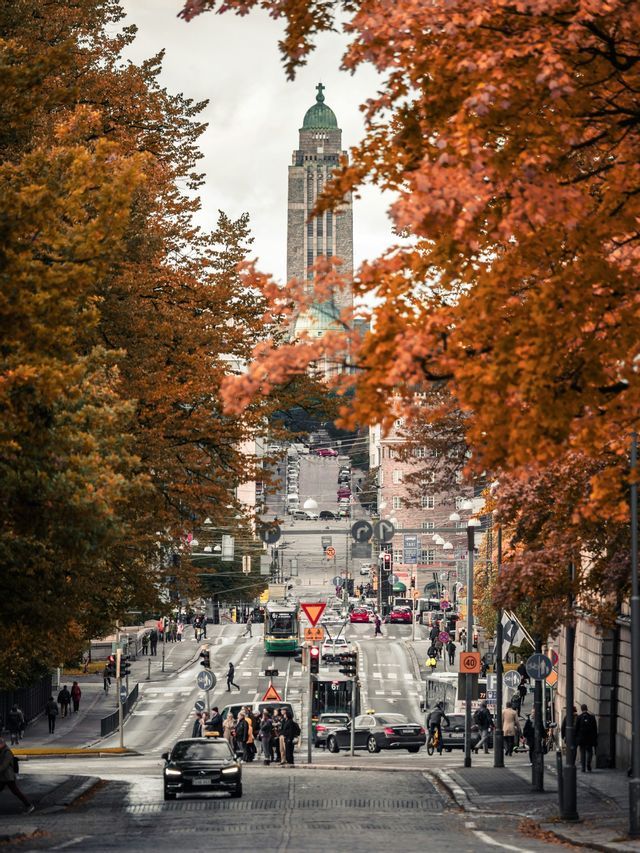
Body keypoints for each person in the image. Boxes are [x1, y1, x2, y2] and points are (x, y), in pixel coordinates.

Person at [0, 737, 34, 813]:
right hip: (3, 777)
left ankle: (29, 805)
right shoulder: (2, 751)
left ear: (2, 744)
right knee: (16, 791)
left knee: (16, 792)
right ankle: (29, 805)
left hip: (8, 777)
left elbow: (4, 765)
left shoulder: (7, 752)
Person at [575, 704, 598, 772]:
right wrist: (595, 738)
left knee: (582, 753)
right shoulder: (592, 717)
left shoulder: (579, 717)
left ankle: (583, 767)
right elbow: (595, 729)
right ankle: (588, 763)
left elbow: (576, 728)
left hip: (582, 739)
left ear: (581, 709)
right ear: (587, 709)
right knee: (590, 752)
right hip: (590, 738)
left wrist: (576, 738)